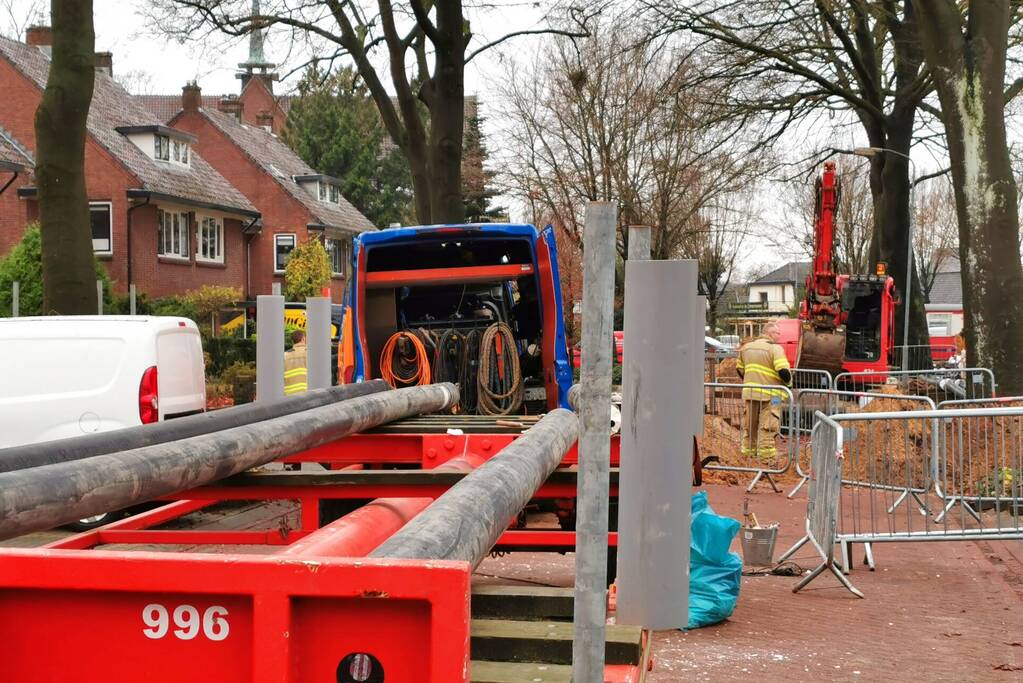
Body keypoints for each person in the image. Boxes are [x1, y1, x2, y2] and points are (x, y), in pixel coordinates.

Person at [736, 322, 792, 460]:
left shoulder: (746, 348)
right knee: (769, 426)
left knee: (750, 426)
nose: (778, 337)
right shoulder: (775, 349)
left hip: (750, 393)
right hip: (773, 395)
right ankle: (766, 461)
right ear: (770, 333)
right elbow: (783, 371)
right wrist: (788, 385)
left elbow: (739, 369)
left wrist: (750, 382)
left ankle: (748, 458)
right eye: (778, 334)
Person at [284, 329, 308, 396]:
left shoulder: (285, 355)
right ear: (303, 339)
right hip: (308, 395)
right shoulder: (310, 354)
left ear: (293, 341)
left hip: (289, 397)